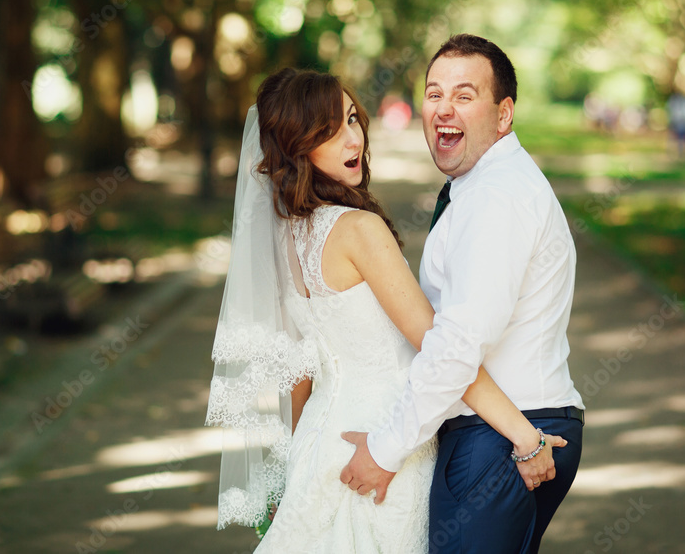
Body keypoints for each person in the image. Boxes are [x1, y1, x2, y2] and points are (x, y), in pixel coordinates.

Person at [205, 68, 565, 553]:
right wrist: (527, 436)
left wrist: (298, 460)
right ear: (298, 146)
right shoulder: (357, 229)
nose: (353, 139)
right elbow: (437, 344)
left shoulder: (288, 235)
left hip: (322, 439)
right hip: (384, 440)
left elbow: (299, 374)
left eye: (353, 120)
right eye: (329, 131)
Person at [341, 34, 586, 553]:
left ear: (503, 115)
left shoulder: (496, 198)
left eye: (464, 95)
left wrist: (385, 451)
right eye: (433, 94)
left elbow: (455, 345)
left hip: (500, 442)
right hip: (518, 432)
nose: (443, 109)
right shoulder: (483, 186)